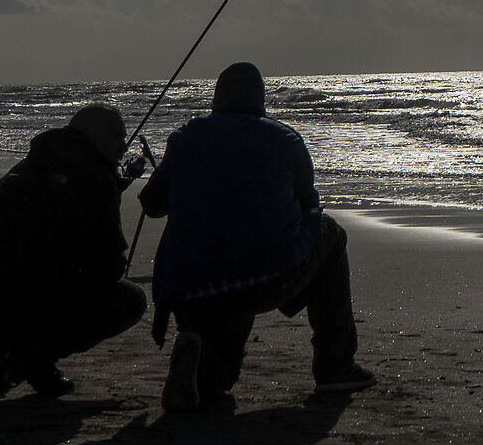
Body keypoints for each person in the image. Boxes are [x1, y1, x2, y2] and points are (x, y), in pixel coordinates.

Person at [139, 62, 373, 410]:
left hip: (191, 288)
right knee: (331, 235)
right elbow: (311, 205)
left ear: (217, 99)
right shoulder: (284, 138)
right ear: (260, 99)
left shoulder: (186, 138)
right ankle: (334, 366)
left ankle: (193, 349)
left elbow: (153, 204)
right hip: (259, 277)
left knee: (218, 385)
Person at [0, 103, 152, 397]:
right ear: (94, 136)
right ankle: (34, 358)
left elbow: (61, 201)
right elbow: (108, 264)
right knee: (129, 299)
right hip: (16, 302)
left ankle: (2, 357)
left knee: (31, 274)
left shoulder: (31, 165)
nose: (123, 146)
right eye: (117, 137)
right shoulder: (95, 181)